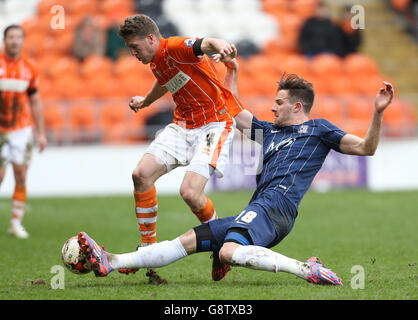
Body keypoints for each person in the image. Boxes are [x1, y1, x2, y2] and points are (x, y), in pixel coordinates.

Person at [76, 59, 394, 285]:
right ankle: (112, 260)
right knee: (188, 239)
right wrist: (233, 70)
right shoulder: (267, 131)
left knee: (228, 252)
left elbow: (367, 148)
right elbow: (232, 109)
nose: (272, 107)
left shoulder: (319, 129)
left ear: (298, 107)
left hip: (277, 207)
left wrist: (377, 112)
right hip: (260, 208)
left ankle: (304, 268)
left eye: (279, 102)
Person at [116, 14, 246, 281]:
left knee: (189, 193)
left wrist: (222, 45)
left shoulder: (176, 46)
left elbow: (205, 43)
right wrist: (146, 101)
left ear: (151, 39)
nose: (133, 53)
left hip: (214, 124)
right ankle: (147, 249)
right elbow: (166, 81)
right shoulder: (157, 61)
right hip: (183, 125)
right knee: (141, 175)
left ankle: (221, 245)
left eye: (135, 47)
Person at [0, 25, 47, 238]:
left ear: (23, 41)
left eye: (19, 37)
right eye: (11, 37)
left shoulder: (29, 69)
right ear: (4, 40)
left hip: (21, 129)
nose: (15, 41)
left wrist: (41, 133)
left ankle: (15, 223)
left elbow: (35, 101)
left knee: (20, 175)